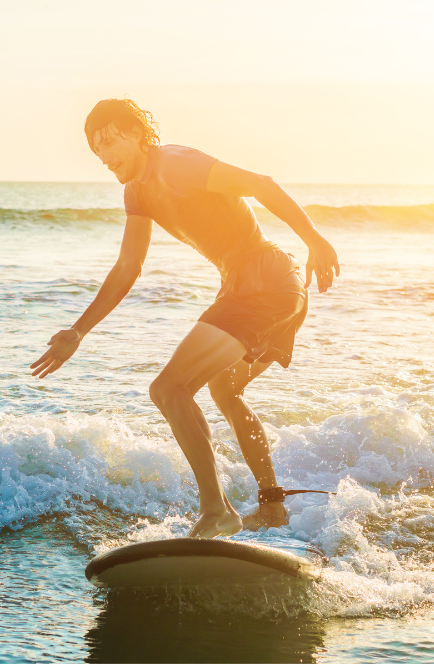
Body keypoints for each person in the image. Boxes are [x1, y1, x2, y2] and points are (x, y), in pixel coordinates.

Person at [30, 98, 340, 538]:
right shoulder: (136, 191)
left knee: (169, 388)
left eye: (111, 141)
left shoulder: (175, 164)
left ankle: (217, 512)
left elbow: (261, 184)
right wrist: (79, 330)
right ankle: (271, 506)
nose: (104, 155)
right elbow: (127, 268)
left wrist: (315, 239)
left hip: (265, 282)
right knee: (224, 390)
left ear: (138, 134)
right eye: (96, 148)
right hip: (254, 287)